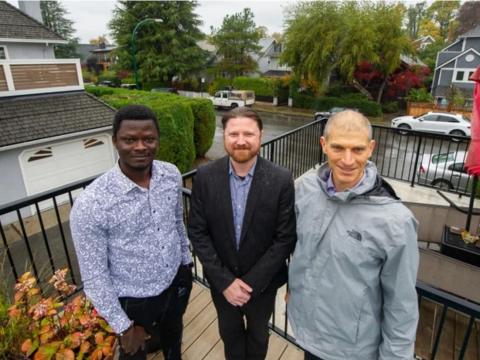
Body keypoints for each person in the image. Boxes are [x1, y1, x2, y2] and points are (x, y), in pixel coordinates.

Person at [288, 110, 419, 360]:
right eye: (338, 147)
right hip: (307, 333)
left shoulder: (396, 221)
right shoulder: (305, 190)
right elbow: (300, 247)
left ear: (371, 148)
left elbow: (401, 305)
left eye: (357, 150)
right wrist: (296, 286)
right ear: (323, 145)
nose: (347, 160)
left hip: (352, 351)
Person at [70, 104, 192, 360]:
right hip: (133, 301)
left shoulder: (171, 175)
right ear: (115, 141)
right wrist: (122, 325)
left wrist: (186, 264)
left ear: (157, 140)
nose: (140, 146)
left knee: (174, 342)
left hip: (175, 282)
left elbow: (177, 223)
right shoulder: (92, 203)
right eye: (129, 139)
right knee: (133, 355)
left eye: (148, 139)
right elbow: (94, 276)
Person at [188, 108, 297, 360]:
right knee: (230, 334)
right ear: (223, 135)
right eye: (233, 133)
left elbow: (284, 238)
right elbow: (197, 231)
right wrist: (225, 282)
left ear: (260, 135)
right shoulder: (205, 176)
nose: (241, 140)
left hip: (262, 286)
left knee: (259, 335)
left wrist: (250, 285)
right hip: (221, 283)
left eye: (248, 133)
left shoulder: (281, 179)